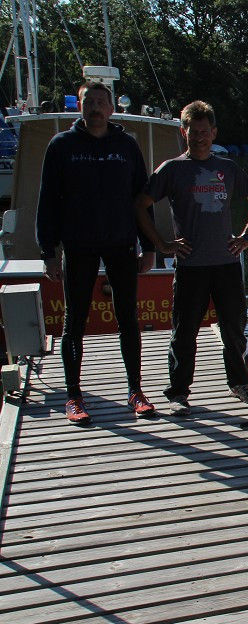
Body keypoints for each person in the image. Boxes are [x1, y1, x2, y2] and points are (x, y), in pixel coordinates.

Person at [134, 100, 248, 416]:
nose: (199, 138)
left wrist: (246, 237)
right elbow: (140, 205)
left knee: (234, 328)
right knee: (184, 332)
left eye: (205, 132)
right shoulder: (172, 169)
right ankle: (178, 393)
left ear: (214, 132)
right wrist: (162, 244)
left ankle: (240, 384)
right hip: (191, 265)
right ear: (184, 132)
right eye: (193, 132)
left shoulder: (229, 169)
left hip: (226, 264)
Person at [37, 80, 157, 425]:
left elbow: (142, 199)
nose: (95, 108)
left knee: (128, 318)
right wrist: (48, 251)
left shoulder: (127, 146)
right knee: (73, 321)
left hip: (121, 242)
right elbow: (47, 203)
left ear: (111, 108)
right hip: (78, 244)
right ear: (80, 106)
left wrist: (148, 246)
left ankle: (136, 390)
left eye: (101, 102)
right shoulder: (62, 145)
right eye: (89, 102)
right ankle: (74, 395)